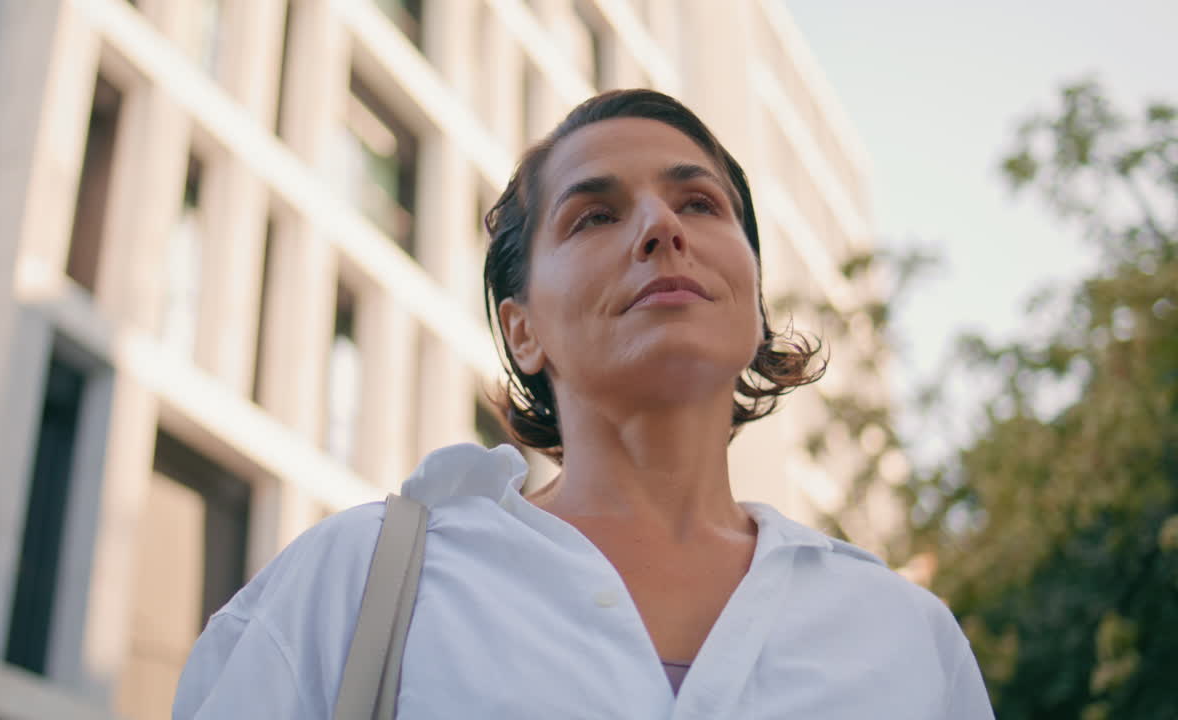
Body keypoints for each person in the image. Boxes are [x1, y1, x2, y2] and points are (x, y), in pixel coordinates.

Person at [173, 89, 994, 719]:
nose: (662, 228)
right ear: (522, 330)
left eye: (700, 203)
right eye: (595, 214)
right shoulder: (357, 580)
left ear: (750, 292)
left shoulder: (905, 636)